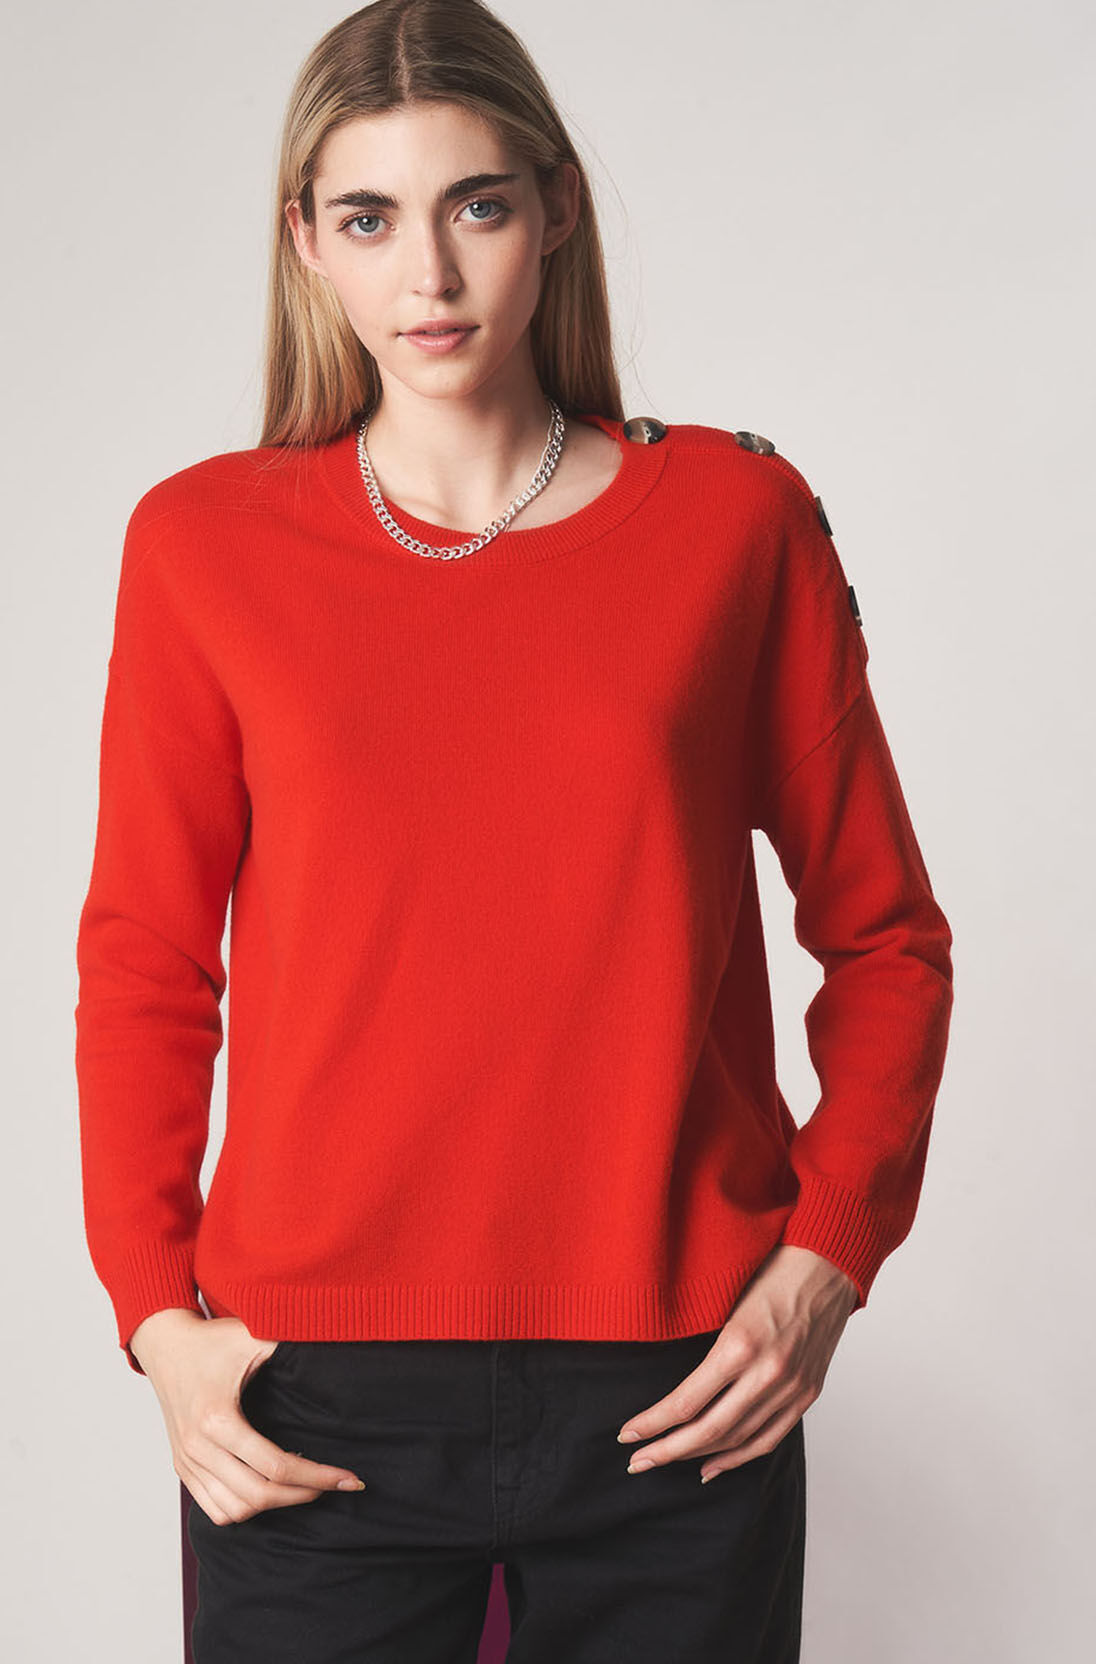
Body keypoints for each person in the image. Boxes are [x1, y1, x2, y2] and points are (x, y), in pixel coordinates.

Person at [73, 2, 954, 1659]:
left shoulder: (734, 524)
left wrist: (828, 1257)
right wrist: (156, 1318)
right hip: (307, 1394)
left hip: (681, 1382)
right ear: (306, 243)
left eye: (475, 205)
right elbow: (145, 964)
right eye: (369, 219)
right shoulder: (202, 547)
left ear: (555, 209)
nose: (429, 273)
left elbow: (887, 938)